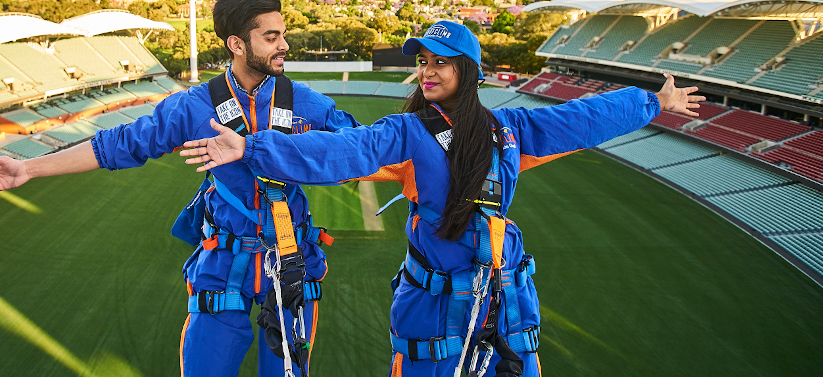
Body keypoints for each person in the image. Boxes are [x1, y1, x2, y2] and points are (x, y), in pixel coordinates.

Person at [181, 20, 704, 376]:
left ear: (467, 72)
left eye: (442, 63)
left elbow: (580, 119)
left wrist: (653, 102)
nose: (427, 71)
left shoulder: (509, 129)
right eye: (424, 61)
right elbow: (342, 151)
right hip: (437, 308)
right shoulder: (408, 131)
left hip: (503, 300)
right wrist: (253, 147)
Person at [0, 0, 359, 377]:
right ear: (237, 44)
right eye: (271, 37)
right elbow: (117, 145)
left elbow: (362, 151)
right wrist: (29, 168)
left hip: (290, 262)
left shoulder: (307, 103)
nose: (284, 45)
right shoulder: (195, 107)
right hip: (224, 265)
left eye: (283, 34)